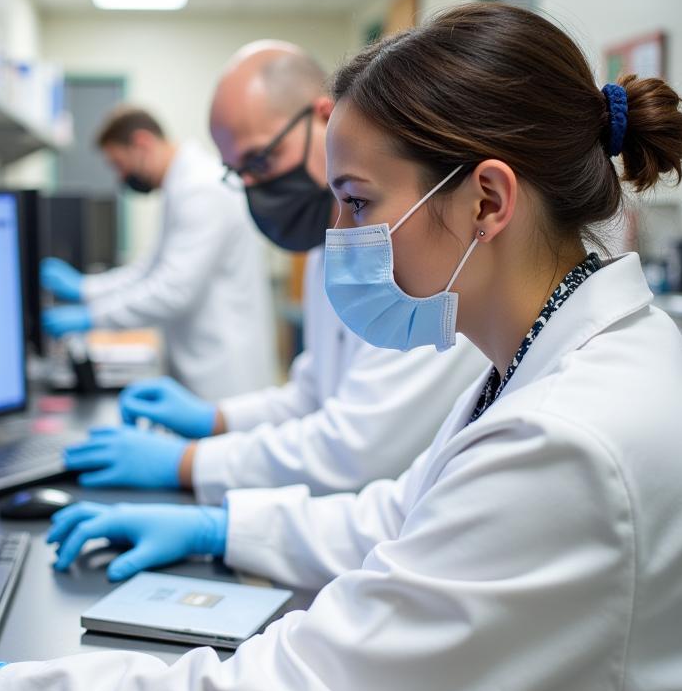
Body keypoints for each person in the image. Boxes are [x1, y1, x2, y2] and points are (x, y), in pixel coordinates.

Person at [0, 3, 682, 691]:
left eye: (359, 203)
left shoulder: (577, 443)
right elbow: (396, 522)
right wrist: (219, 522)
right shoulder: (541, 370)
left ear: (487, 201)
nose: (338, 233)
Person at [63, 44, 485, 500]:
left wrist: (187, 465)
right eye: (239, 172)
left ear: (328, 119)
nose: (255, 187)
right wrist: (216, 420)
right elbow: (313, 391)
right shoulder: (332, 242)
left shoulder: (428, 257)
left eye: (261, 161)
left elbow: (355, 448)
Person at [40, 105, 275, 401]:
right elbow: (149, 270)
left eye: (119, 164)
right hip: (201, 365)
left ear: (142, 143)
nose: (120, 176)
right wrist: (85, 288)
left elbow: (171, 291)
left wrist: (93, 316)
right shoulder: (181, 186)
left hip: (222, 376)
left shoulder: (200, 188)